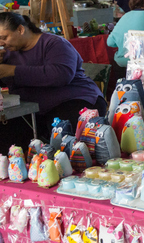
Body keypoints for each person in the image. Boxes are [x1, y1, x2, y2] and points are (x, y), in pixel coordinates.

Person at [0, 13, 106, 152]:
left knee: (62, 134)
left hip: (75, 99)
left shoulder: (54, 43)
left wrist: (12, 71)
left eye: (4, 37)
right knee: (7, 135)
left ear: (20, 29)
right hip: (34, 110)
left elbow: (61, 75)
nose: (1, 43)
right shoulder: (7, 54)